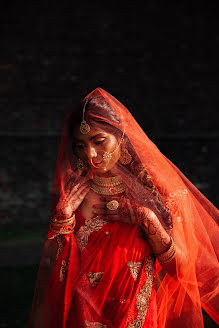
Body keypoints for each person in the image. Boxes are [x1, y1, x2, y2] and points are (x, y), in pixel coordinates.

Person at [29, 88, 219, 328]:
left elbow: (183, 270)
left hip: (137, 316)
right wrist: (62, 221)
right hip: (82, 314)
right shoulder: (76, 192)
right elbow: (52, 272)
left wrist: (147, 220)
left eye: (99, 141)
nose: (90, 155)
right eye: (80, 146)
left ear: (120, 136)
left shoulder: (157, 191)